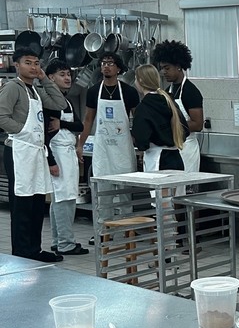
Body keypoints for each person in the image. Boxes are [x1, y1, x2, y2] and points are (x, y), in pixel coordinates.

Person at [0, 47, 67, 262]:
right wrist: (21, 130)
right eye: (28, 62)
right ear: (17, 65)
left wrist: (45, 79)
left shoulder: (36, 90)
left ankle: (35, 250)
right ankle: (21, 253)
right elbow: (1, 116)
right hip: (19, 151)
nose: (33, 66)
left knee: (37, 202)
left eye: (36, 62)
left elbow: (60, 103)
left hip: (36, 152)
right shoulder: (13, 87)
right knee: (21, 204)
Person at [43, 59, 88, 256]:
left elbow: (79, 126)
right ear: (50, 78)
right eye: (62, 74)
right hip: (58, 153)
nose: (67, 78)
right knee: (64, 198)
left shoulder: (66, 101)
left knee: (63, 198)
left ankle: (58, 241)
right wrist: (51, 161)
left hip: (68, 152)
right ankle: (66, 243)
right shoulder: (50, 103)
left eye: (68, 74)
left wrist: (62, 124)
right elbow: (45, 136)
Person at [78, 52, 140, 177]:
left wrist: (141, 145)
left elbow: (138, 120)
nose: (106, 66)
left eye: (111, 63)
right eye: (104, 63)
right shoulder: (93, 91)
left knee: (125, 191)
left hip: (123, 148)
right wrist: (80, 145)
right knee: (102, 190)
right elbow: (88, 120)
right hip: (102, 148)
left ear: (118, 68)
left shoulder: (129, 92)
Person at [151, 40, 204, 173]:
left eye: (167, 68)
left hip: (187, 149)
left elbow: (197, 124)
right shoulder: (169, 90)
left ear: (179, 66)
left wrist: (171, 125)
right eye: (162, 68)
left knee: (186, 189)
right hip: (172, 148)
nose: (163, 72)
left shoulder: (190, 92)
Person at [131, 64, 186, 171]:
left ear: (141, 81)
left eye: (135, 79)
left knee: (159, 188)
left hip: (158, 161)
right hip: (176, 158)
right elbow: (185, 129)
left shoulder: (143, 107)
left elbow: (142, 141)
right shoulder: (169, 100)